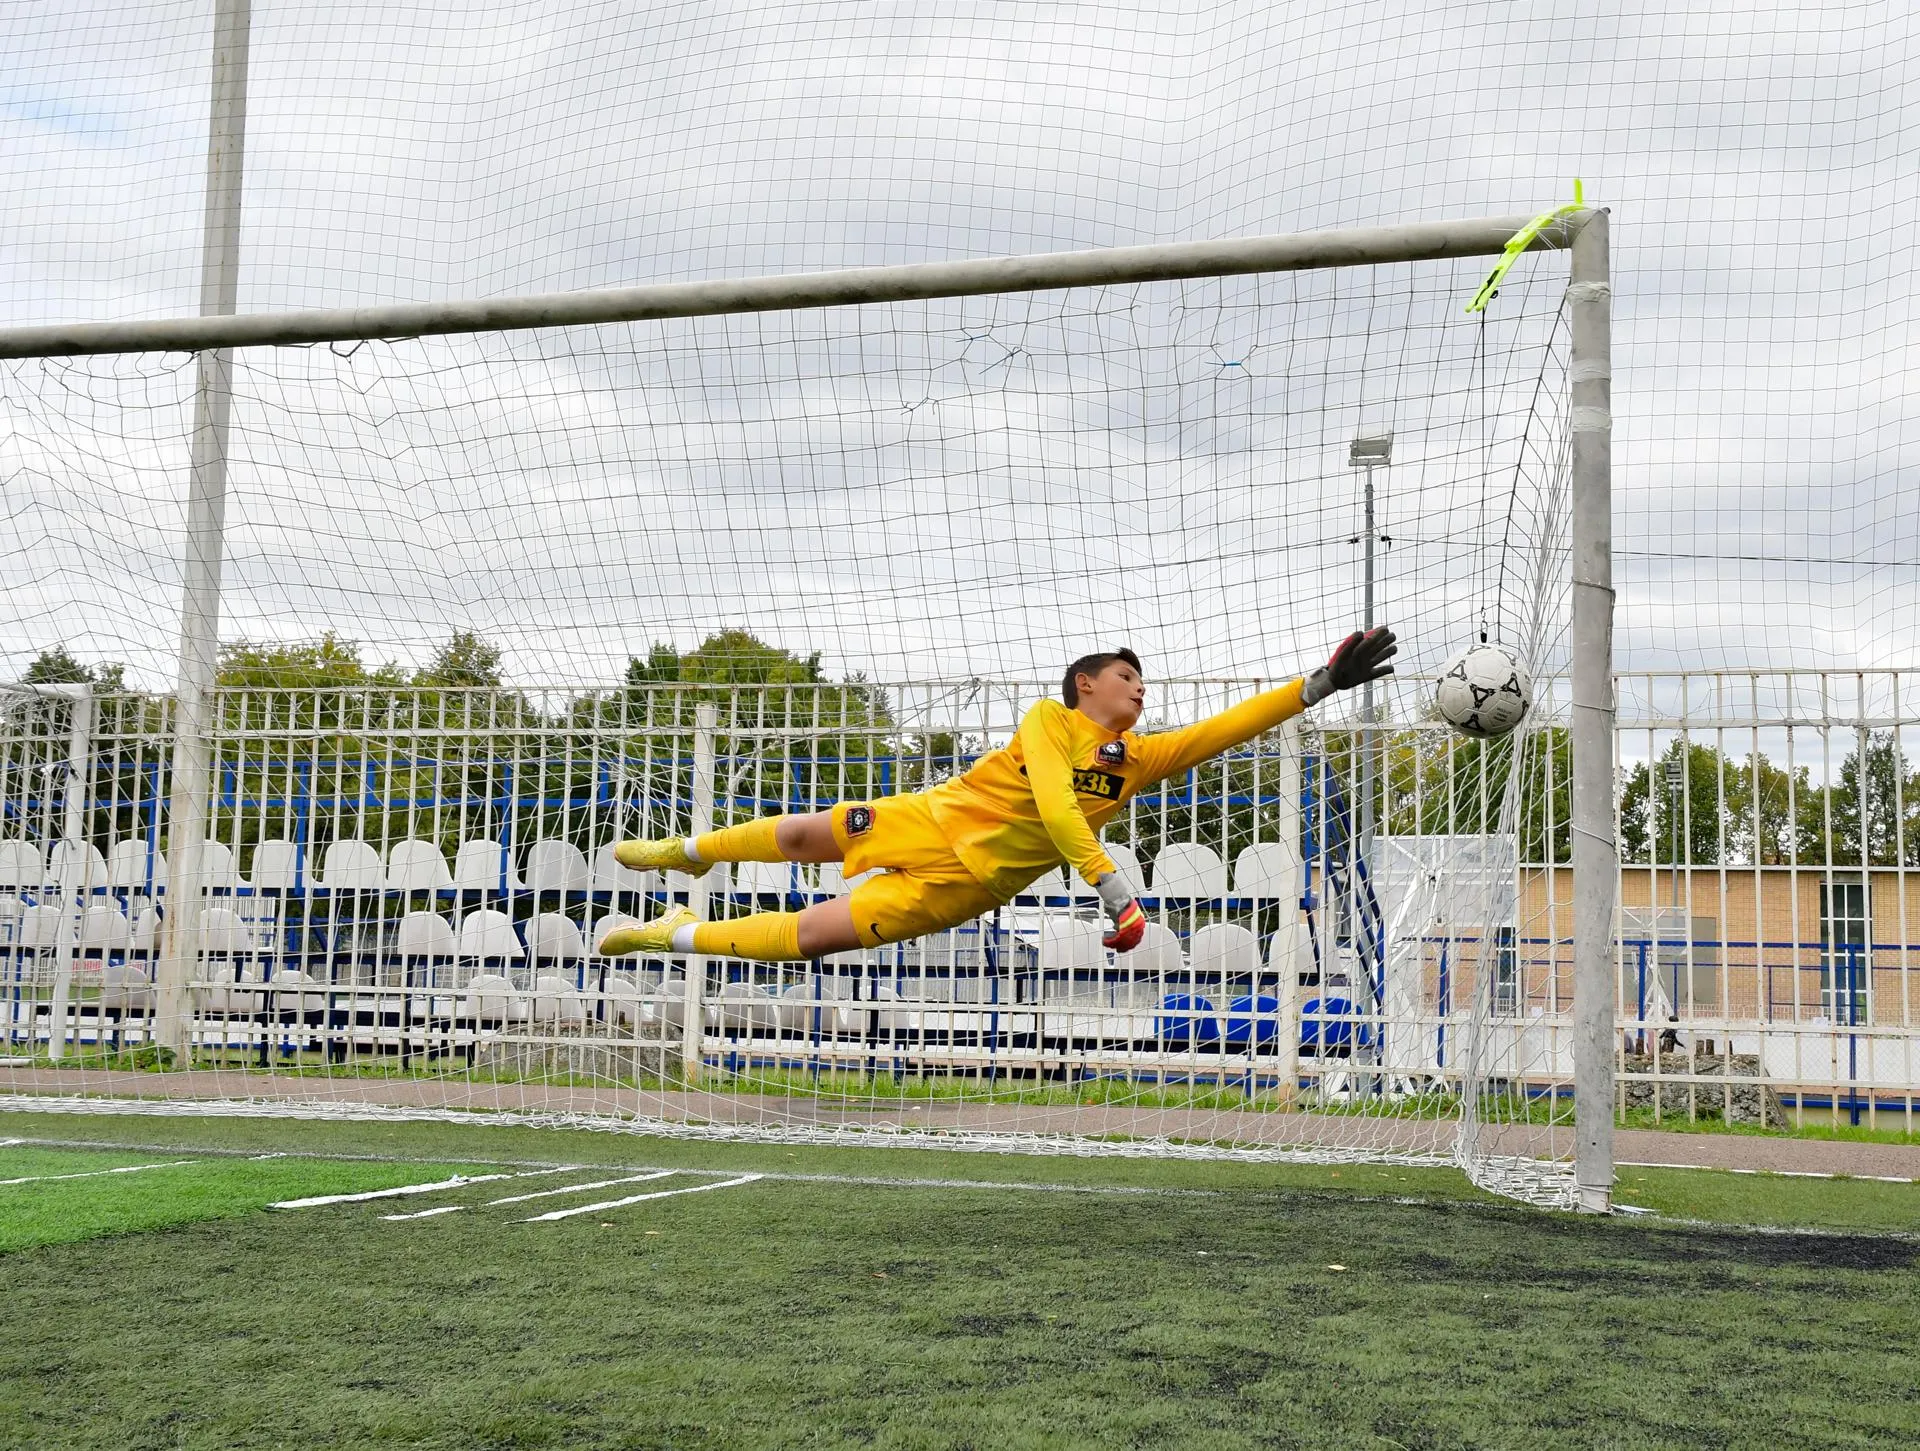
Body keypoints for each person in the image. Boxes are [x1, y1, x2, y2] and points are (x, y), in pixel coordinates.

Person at [597, 627, 1396, 963]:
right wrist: (1114, 888)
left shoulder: (1138, 759)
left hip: (966, 888)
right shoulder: (1048, 718)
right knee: (807, 833)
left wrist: (1321, 684)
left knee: (812, 936)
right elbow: (1055, 805)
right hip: (930, 820)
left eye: (1143, 680)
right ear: (1086, 685)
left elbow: (1227, 727)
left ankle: (672, 934)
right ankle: (686, 853)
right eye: (1126, 676)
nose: (1140, 688)